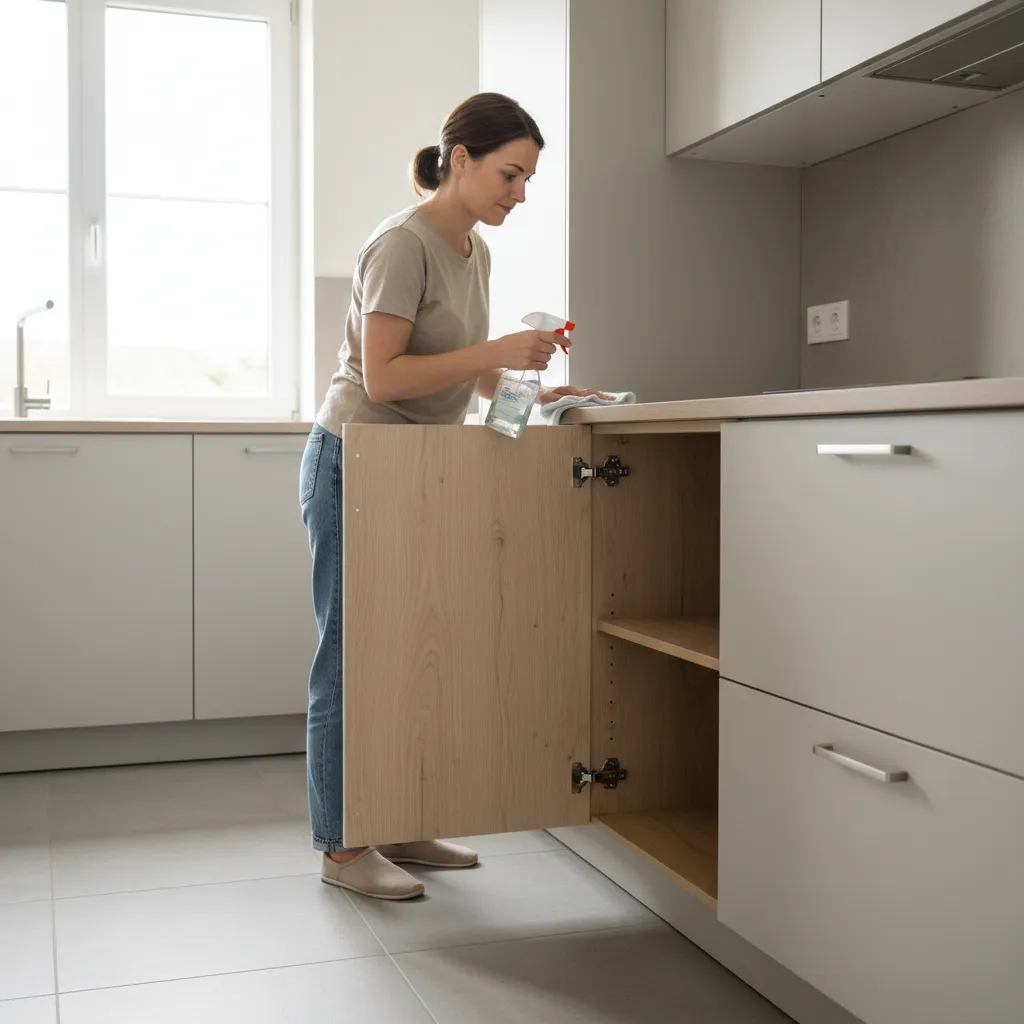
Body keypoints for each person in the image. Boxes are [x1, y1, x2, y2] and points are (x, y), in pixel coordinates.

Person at [299, 92, 607, 901]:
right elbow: (387, 376)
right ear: (460, 159)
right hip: (353, 462)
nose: (520, 192)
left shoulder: (474, 249)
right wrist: (497, 348)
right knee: (350, 659)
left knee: (405, 654)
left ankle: (394, 816)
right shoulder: (403, 245)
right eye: (511, 173)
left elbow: (465, 372)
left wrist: (527, 389)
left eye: (529, 178)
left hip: (411, 470)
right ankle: (340, 846)